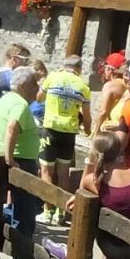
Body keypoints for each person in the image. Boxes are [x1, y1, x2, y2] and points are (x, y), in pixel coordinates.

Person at [0, 68, 44, 243]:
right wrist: (9, 158)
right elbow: (12, 126)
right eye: (34, 83)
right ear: (24, 85)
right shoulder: (20, 104)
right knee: (25, 209)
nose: (37, 87)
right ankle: (21, 253)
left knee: (3, 203)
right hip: (20, 162)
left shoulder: (4, 100)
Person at [42, 55, 92, 198]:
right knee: (64, 173)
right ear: (79, 68)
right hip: (69, 132)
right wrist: (88, 132)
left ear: (64, 65)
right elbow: (87, 117)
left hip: (50, 128)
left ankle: (47, 209)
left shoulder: (53, 77)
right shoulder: (83, 86)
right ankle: (61, 210)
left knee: (46, 171)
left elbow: (39, 97)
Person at [92, 51, 128, 134]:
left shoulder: (110, 85)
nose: (104, 70)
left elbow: (103, 112)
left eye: (105, 67)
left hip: (108, 128)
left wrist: (95, 132)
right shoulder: (127, 85)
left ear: (110, 69)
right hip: (120, 129)